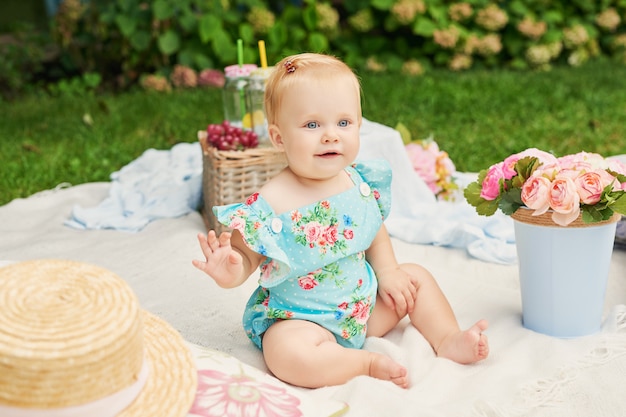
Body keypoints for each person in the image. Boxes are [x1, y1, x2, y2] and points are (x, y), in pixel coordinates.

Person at [192, 52, 489, 389]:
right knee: (286, 354)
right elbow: (245, 257)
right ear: (279, 138)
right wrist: (230, 269)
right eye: (312, 125)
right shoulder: (269, 203)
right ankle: (362, 364)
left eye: (343, 123)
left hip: (363, 309)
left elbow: (373, 229)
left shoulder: (356, 181)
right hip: (302, 320)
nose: (331, 135)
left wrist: (389, 272)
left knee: (415, 278)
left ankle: (448, 339)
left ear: (359, 125)